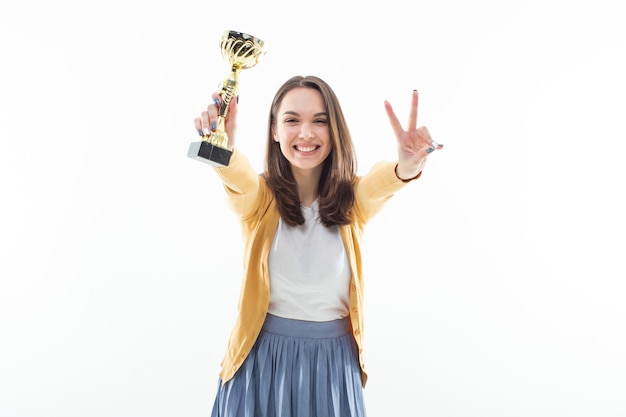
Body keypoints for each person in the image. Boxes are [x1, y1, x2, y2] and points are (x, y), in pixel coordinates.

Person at [193, 75, 442, 417]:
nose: (306, 133)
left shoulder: (353, 201)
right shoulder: (260, 201)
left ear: (334, 131)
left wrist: (406, 167)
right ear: (275, 130)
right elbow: (240, 182)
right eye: (292, 120)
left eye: (320, 121)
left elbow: (379, 185)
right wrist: (224, 151)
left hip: (333, 365)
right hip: (259, 359)